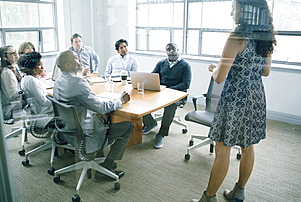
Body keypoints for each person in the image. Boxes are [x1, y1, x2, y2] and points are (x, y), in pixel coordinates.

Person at [190, 0, 276, 202]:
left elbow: (219, 78)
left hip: (236, 98)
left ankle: (208, 199)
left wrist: (213, 69)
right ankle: (238, 192)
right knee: (248, 147)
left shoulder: (237, 37)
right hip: (256, 96)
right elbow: (265, 72)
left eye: (234, 8)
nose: (232, 13)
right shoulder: (266, 36)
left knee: (222, 149)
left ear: (245, 10)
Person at [53, 50, 134, 181]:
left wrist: (95, 111)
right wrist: (121, 101)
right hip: (85, 134)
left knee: (100, 116)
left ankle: (97, 155)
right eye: (75, 58)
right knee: (128, 126)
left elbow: (76, 105)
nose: (79, 59)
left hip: (67, 131)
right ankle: (106, 168)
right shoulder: (77, 83)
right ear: (67, 65)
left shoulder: (58, 81)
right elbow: (101, 107)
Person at [141, 42, 191, 148]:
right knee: (142, 99)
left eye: (173, 49)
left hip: (177, 94)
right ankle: (150, 123)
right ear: (166, 51)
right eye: (169, 49)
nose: (171, 51)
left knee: (170, 106)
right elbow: (153, 77)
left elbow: (186, 84)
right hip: (161, 91)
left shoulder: (185, 65)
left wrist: (168, 89)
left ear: (178, 50)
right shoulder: (161, 63)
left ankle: (162, 133)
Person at [18, 52, 53, 129]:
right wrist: (58, 100)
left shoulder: (25, 78)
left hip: (37, 111)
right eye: (39, 65)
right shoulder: (31, 80)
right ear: (32, 67)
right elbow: (44, 102)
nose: (42, 67)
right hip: (42, 114)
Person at [0, 45, 23, 120]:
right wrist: (25, 90)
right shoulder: (7, 73)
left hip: (14, 104)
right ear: (4, 57)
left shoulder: (14, 67)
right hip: (11, 108)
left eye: (15, 52)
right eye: (12, 53)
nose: (16, 54)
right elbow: (13, 96)